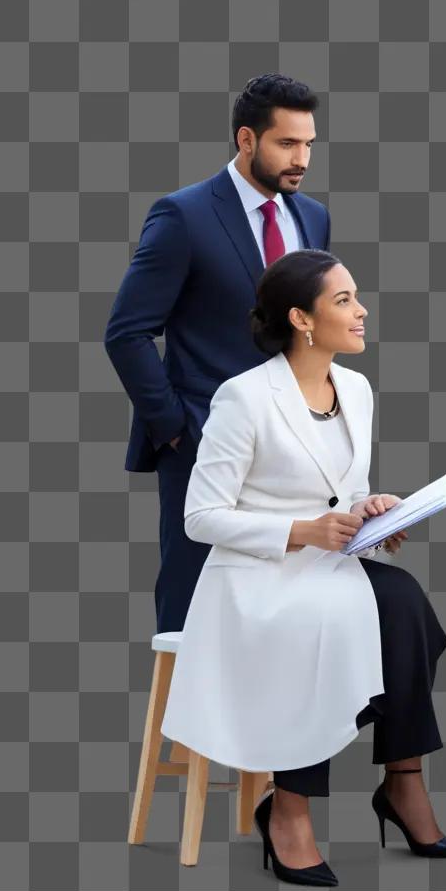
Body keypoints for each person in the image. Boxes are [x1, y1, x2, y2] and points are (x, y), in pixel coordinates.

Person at [159, 249, 446, 887]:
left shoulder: (355, 389)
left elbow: (339, 491)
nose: (361, 312)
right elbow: (201, 516)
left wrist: (374, 509)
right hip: (256, 580)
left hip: (332, 569)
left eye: (356, 298)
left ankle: (403, 782)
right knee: (320, 629)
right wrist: (302, 532)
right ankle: (289, 808)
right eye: (344, 301)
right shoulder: (243, 398)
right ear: (301, 318)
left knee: (406, 603)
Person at [103, 73, 329, 634]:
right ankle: (174, 724)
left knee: (294, 601)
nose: (301, 158)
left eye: (308, 144)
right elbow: (127, 332)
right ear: (246, 140)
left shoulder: (312, 217)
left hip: (296, 442)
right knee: (193, 606)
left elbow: (307, 327)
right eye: (286, 144)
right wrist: (178, 429)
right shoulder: (183, 215)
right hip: (206, 442)